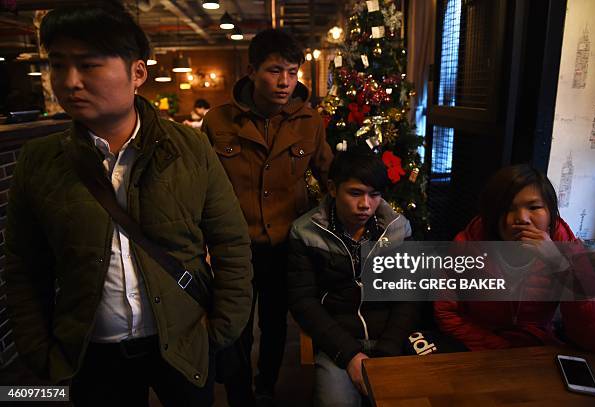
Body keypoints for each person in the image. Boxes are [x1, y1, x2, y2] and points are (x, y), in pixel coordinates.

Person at [4, 4, 253, 406]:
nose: (69, 82)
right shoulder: (40, 160)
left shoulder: (188, 147)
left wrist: (219, 333)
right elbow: (22, 269)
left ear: (138, 72)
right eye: (58, 65)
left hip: (185, 341)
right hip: (90, 353)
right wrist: (39, 352)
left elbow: (232, 245)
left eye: (89, 65)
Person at [202, 28, 334, 405]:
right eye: (275, 71)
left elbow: (328, 176)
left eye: (293, 72)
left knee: (276, 324)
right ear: (252, 70)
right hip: (234, 245)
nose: (285, 82)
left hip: (285, 243)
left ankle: (266, 386)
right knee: (236, 326)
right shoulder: (219, 121)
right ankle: (239, 393)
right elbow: (202, 188)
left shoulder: (309, 121)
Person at [288, 148, 421, 407]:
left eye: (374, 195)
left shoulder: (398, 230)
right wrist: (349, 355)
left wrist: (387, 352)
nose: (365, 205)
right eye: (355, 193)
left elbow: (410, 296)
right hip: (338, 341)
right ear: (332, 188)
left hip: (391, 340)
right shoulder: (305, 233)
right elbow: (303, 301)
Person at [434, 164, 595, 352]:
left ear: (551, 213)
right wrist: (502, 349)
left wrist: (560, 266)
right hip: (481, 348)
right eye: (507, 209)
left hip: (537, 349)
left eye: (534, 207)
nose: (522, 219)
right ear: (492, 215)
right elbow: (446, 313)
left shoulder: (566, 246)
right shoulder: (467, 246)